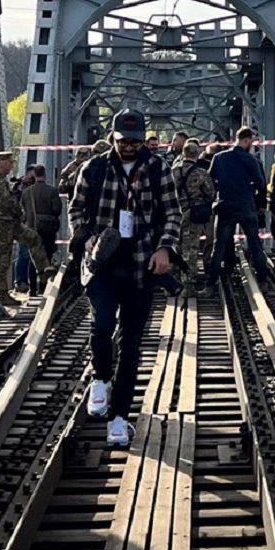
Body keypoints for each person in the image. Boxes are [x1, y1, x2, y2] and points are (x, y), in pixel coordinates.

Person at [70, 108, 182, 447]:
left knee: (132, 347)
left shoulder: (158, 167)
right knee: (102, 324)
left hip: (140, 267)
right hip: (102, 262)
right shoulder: (96, 167)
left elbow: (173, 213)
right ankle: (100, 378)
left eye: (135, 141)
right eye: (123, 141)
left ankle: (119, 419)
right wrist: (86, 235)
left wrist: (165, 249)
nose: (129, 147)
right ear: (113, 138)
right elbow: (75, 208)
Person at [0, 151, 53, 306]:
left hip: (10, 223)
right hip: (0, 225)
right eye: (10, 163)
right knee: (3, 259)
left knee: (33, 238)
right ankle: (2, 295)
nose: (11, 167)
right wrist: (20, 212)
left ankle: (44, 272)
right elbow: (7, 202)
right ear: (2, 163)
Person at [207, 127, 270, 284]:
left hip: (225, 205)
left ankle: (210, 283)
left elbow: (209, 179)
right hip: (246, 205)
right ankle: (262, 280)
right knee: (255, 245)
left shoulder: (219, 158)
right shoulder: (251, 160)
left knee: (219, 247)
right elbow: (261, 183)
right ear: (247, 140)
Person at [174, 139, 216, 292]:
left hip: (175, 214)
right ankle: (189, 282)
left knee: (175, 245)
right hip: (194, 214)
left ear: (183, 153)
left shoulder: (173, 171)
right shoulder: (201, 173)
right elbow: (211, 194)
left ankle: (173, 281)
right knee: (191, 247)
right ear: (196, 154)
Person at [21, 164, 63, 295]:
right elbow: (57, 210)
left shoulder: (26, 192)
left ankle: (32, 289)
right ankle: (43, 287)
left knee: (34, 257)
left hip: (32, 228)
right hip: (48, 229)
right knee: (47, 256)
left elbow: (22, 208)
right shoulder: (52, 191)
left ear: (34, 175)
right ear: (45, 175)